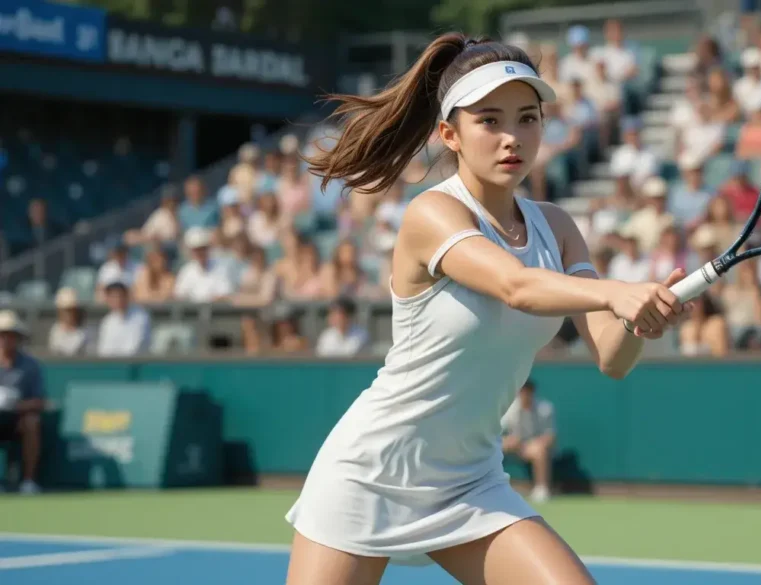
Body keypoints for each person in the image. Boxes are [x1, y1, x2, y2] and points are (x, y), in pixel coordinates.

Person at [285, 33, 689, 585]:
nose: (512, 138)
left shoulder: (559, 228)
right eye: (490, 121)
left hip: (470, 481)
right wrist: (617, 291)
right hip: (371, 473)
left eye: (527, 118)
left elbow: (613, 359)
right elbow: (517, 287)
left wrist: (642, 319)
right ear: (450, 134)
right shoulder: (433, 213)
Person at [0, 310, 44, 494]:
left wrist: (14, 404)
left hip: (18, 421)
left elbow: (39, 402)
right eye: (2, 335)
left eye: (10, 335)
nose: (5, 340)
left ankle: (28, 481)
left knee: (32, 423)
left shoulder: (30, 365)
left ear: (17, 338)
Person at [500, 379, 556, 503]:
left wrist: (536, 443)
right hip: (514, 445)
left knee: (539, 450)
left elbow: (550, 437)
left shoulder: (545, 408)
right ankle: (489, 487)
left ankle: (541, 489)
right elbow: (498, 432)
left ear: (533, 392)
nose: (525, 395)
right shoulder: (510, 408)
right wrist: (509, 440)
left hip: (532, 447)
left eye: (528, 392)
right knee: (495, 446)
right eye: (522, 392)